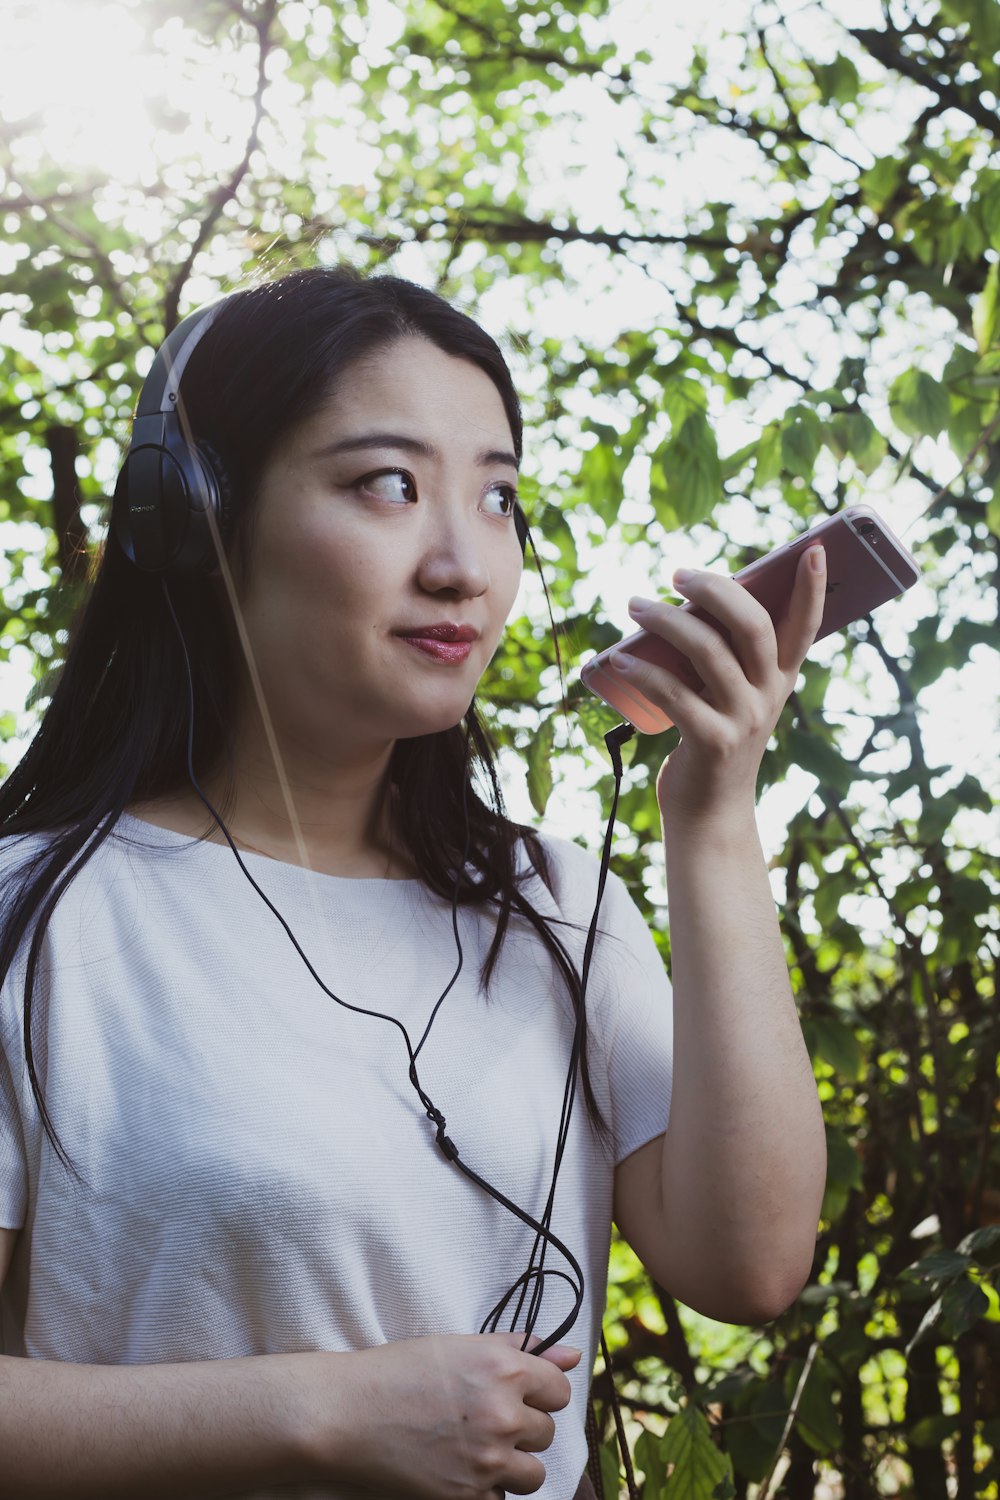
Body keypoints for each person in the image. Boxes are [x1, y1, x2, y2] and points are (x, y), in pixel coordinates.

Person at [0, 266, 828, 1499]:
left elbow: (748, 1265)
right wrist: (321, 1410)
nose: (462, 566)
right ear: (198, 518)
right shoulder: (42, 914)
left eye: (496, 498)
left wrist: (710, 821)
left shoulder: (562, 908)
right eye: (388, 485)